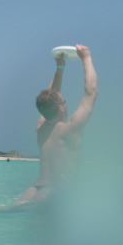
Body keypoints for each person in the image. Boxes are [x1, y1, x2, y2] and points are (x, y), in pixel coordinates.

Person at [21, 44, 98, 202]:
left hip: (33, 190)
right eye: (64, 101)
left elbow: (51, 96)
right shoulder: (70, 129)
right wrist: (87, 58)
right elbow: (91, 92)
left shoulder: (41, 127)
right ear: (61, 107)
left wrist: (60, 66)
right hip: (54, 192)